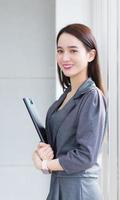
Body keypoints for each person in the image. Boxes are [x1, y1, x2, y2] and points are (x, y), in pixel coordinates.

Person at [32, 23, 107, 200]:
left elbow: (85, 156)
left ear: (91, 55)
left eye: (73, 51)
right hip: (60, 187)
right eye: (60, 51)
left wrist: (45, 164)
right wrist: (41, 153)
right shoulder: (65, 97)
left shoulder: (92, 97)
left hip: (79, 191)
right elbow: (61, 150)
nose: (65, 57)